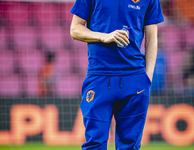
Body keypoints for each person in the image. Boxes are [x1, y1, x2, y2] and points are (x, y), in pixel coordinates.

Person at [70, 0, 164, 149]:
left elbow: (152, 38)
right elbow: (75, 29)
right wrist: (103, 36)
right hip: (99, 77)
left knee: (130, 146)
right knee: (94, 144)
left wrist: (147, 79)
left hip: (135, 79)